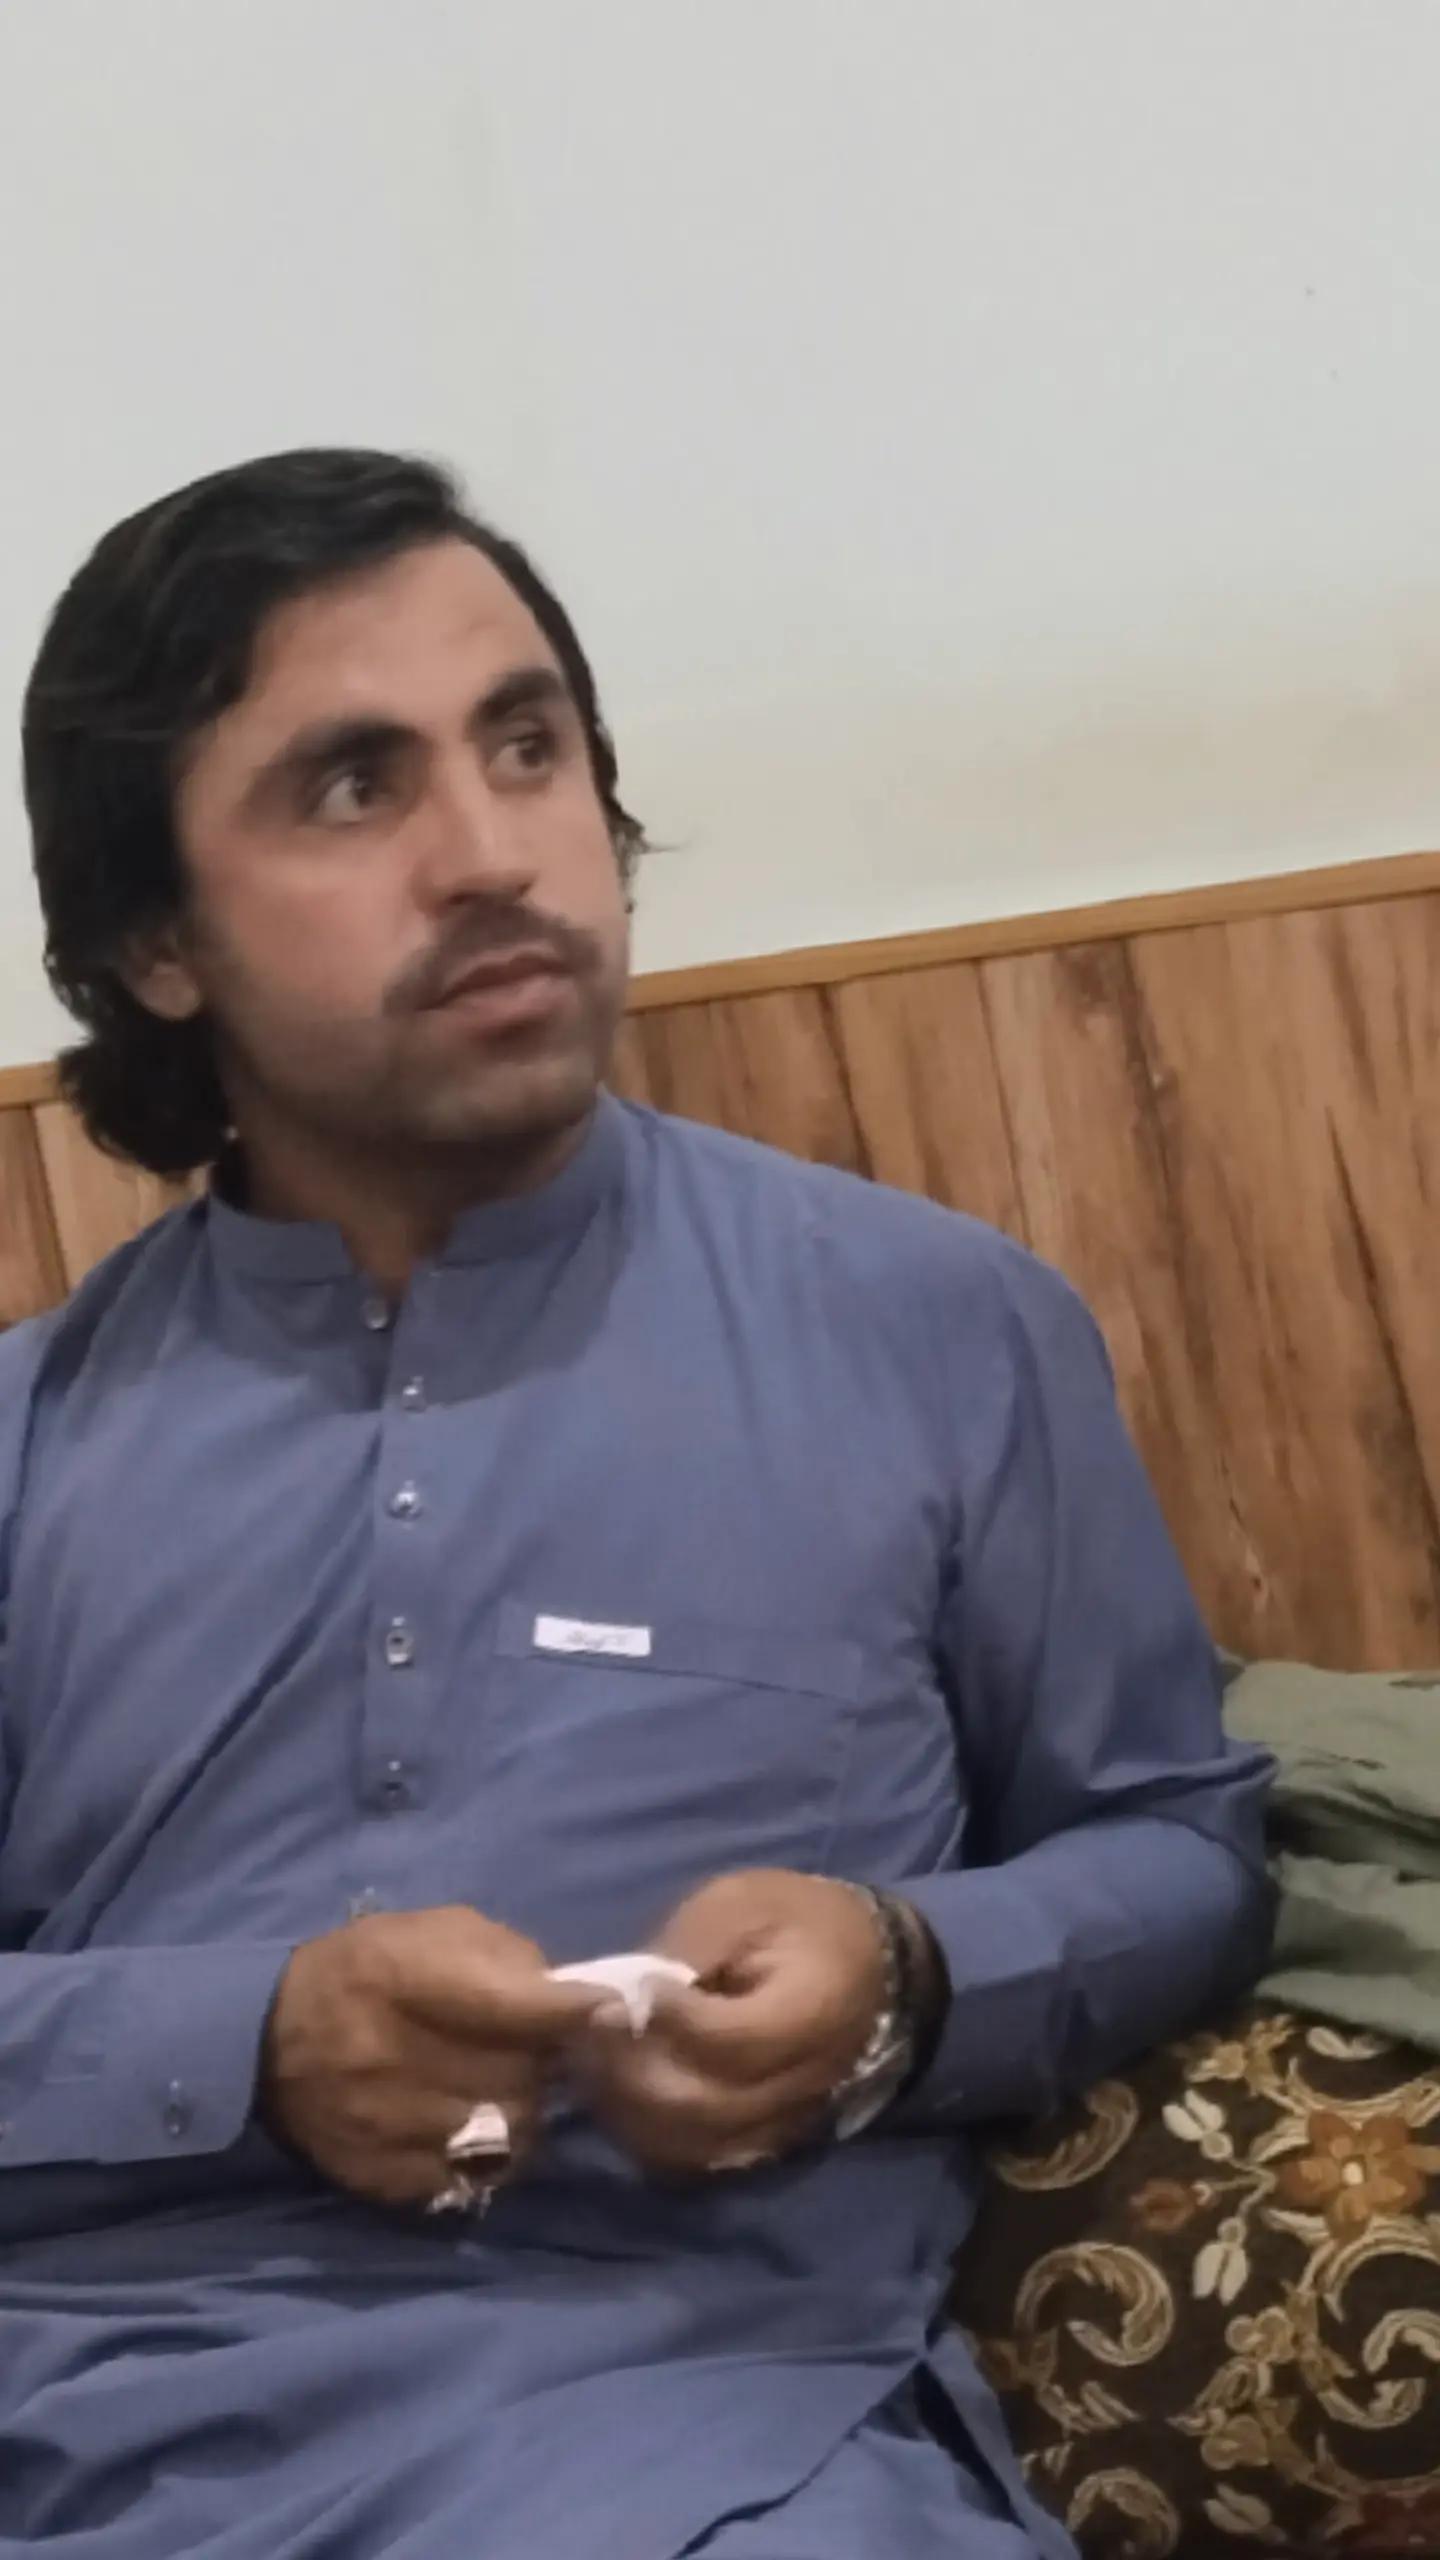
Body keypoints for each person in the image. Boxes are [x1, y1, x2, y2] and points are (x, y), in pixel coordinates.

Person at [0, 449, 1272, 2560]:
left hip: (694, 2439)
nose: (492, 852)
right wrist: (250, 2041)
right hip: (72, 2415)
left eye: (529, 747)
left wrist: (907, 1971)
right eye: (354, 785)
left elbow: (1182, 1846)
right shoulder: (35, 1433)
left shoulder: (938, 1328)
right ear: (153, 940)